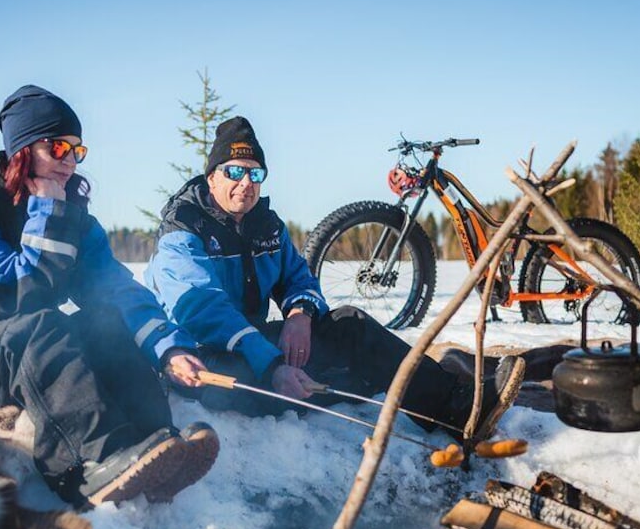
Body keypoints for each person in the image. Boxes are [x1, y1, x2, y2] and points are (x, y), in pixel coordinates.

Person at [0, 85, 218, 508]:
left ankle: (156, 446)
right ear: (21, 149)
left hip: (18, 343)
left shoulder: (71, 213)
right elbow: (6, 298)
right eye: (58, 148)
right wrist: (47, 214)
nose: (70, 161)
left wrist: (168, 347)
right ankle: (87, 465)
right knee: (37, 326)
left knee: (103, 322)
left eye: (77, 150)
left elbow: (115, 286)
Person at [144, 116, 524, 440]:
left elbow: (300, 278)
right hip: (201, 362)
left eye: (255, 173)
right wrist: (273, 364)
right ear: (212, 177)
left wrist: (299, 315)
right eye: (234, 172)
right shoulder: (183, 228)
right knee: (257, 377)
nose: (246, 183)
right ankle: (352, 383)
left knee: (349, 327)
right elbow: (201, 309)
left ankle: (456, 408)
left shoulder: (266, 225)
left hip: (255, 345)